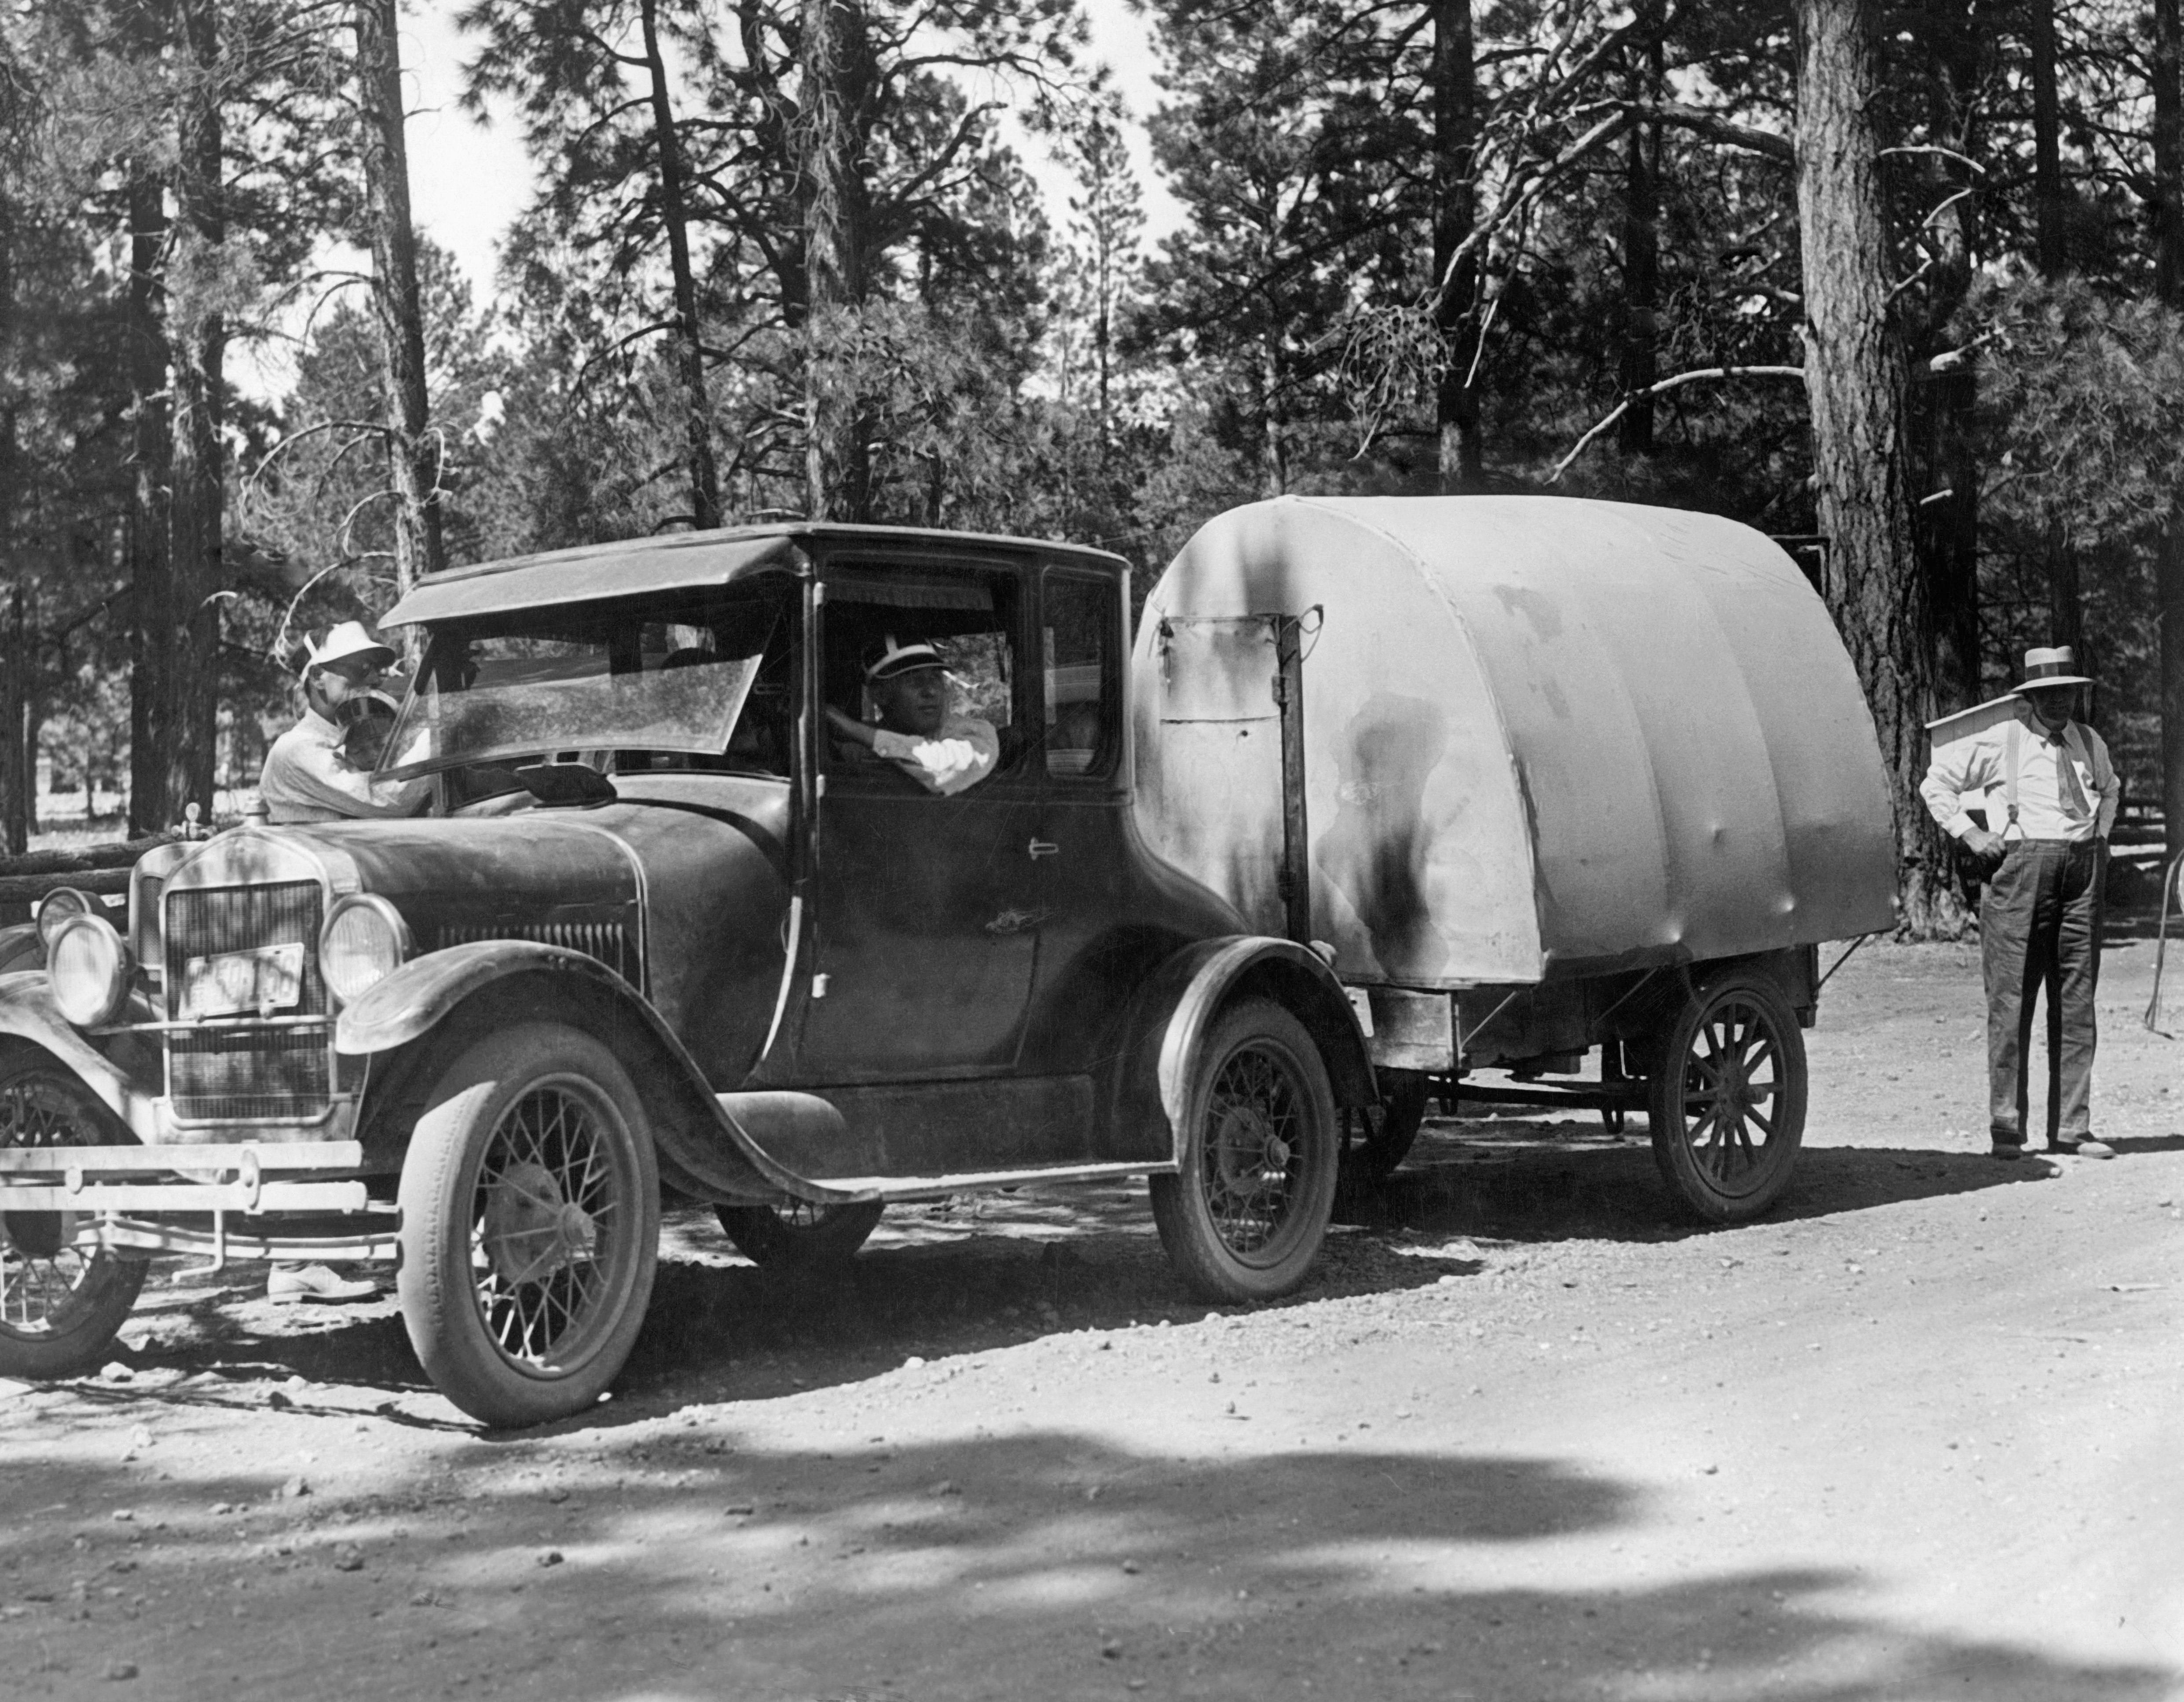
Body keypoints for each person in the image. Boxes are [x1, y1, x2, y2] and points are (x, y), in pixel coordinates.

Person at [258, 622, 426, 1304]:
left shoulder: (349, 743)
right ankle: (297, 1260)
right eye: (348, 672)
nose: (359, 684)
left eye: (368, 671)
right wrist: (433, 745)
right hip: (306, 926)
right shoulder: (298, 751)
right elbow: (380, 802)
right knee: (314, 1081)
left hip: (347, 928)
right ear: (315, 681)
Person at [1920, 645, 2120, 1161]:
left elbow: (2111, 790)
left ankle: (2072, 1128)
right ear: (2029, 698)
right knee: (2010, 1001)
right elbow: (1935, 782)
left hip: (2081, 872)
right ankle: (2006, 1128)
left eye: (2067, 693)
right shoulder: (2000, 740)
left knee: (2076, 1001)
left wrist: (2098, 835)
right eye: (2048, 695)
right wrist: (1969, 833)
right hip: (2019, 873)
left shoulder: (2088, 741)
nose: (2059, 703)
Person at [259, 621, 433, 825]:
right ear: (317, 677)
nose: (374, 678)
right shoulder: (296, 750)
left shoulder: (370, 731)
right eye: (362, 667)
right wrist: (436, 736)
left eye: (377, 668)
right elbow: (390, 799)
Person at [825, 637, 999, 795]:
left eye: (935, 679)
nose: (930, 691)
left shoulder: (975, 735)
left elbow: (943, 768)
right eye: (914, 681)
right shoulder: (861, 744)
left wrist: (852, 729)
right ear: (880, 694)